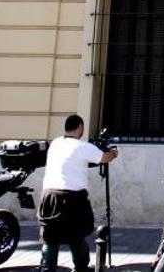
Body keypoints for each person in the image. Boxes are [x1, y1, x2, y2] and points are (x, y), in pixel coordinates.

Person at [38, 114, 118, 272]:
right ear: (80, 127)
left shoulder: (55, 143)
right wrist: (114, 152)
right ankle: (81, 268)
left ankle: (47, 269)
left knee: (50, 239)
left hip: (49, 196)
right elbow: (105, 158)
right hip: (72, 199)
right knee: (76, 236)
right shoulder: (82, 147)